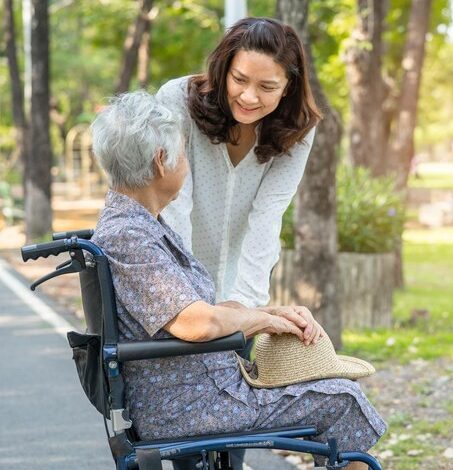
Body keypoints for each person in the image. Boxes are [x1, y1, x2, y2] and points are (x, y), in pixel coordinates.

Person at [90, 91, 385, 469]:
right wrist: (264, 320)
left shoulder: (140, 226)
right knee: (343, 400)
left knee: (337, 394)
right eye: (183, 153)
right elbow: (200, 322)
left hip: (195, 392)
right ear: (161, 162)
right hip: (189, 405)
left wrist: (274, 312)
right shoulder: (129, 235)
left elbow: (195, 312)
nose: (187, 164)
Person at [157, 18, 321, 341]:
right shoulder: (177, 100)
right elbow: (175, 204)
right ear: (223, 69)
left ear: (288, 86)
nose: (248, 96)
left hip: (239, 292)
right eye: (239, 79)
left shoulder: (299, 130)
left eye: (267, 87)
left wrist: (241, 306)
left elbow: (268, 217)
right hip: (175, 294)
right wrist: (193, 305)